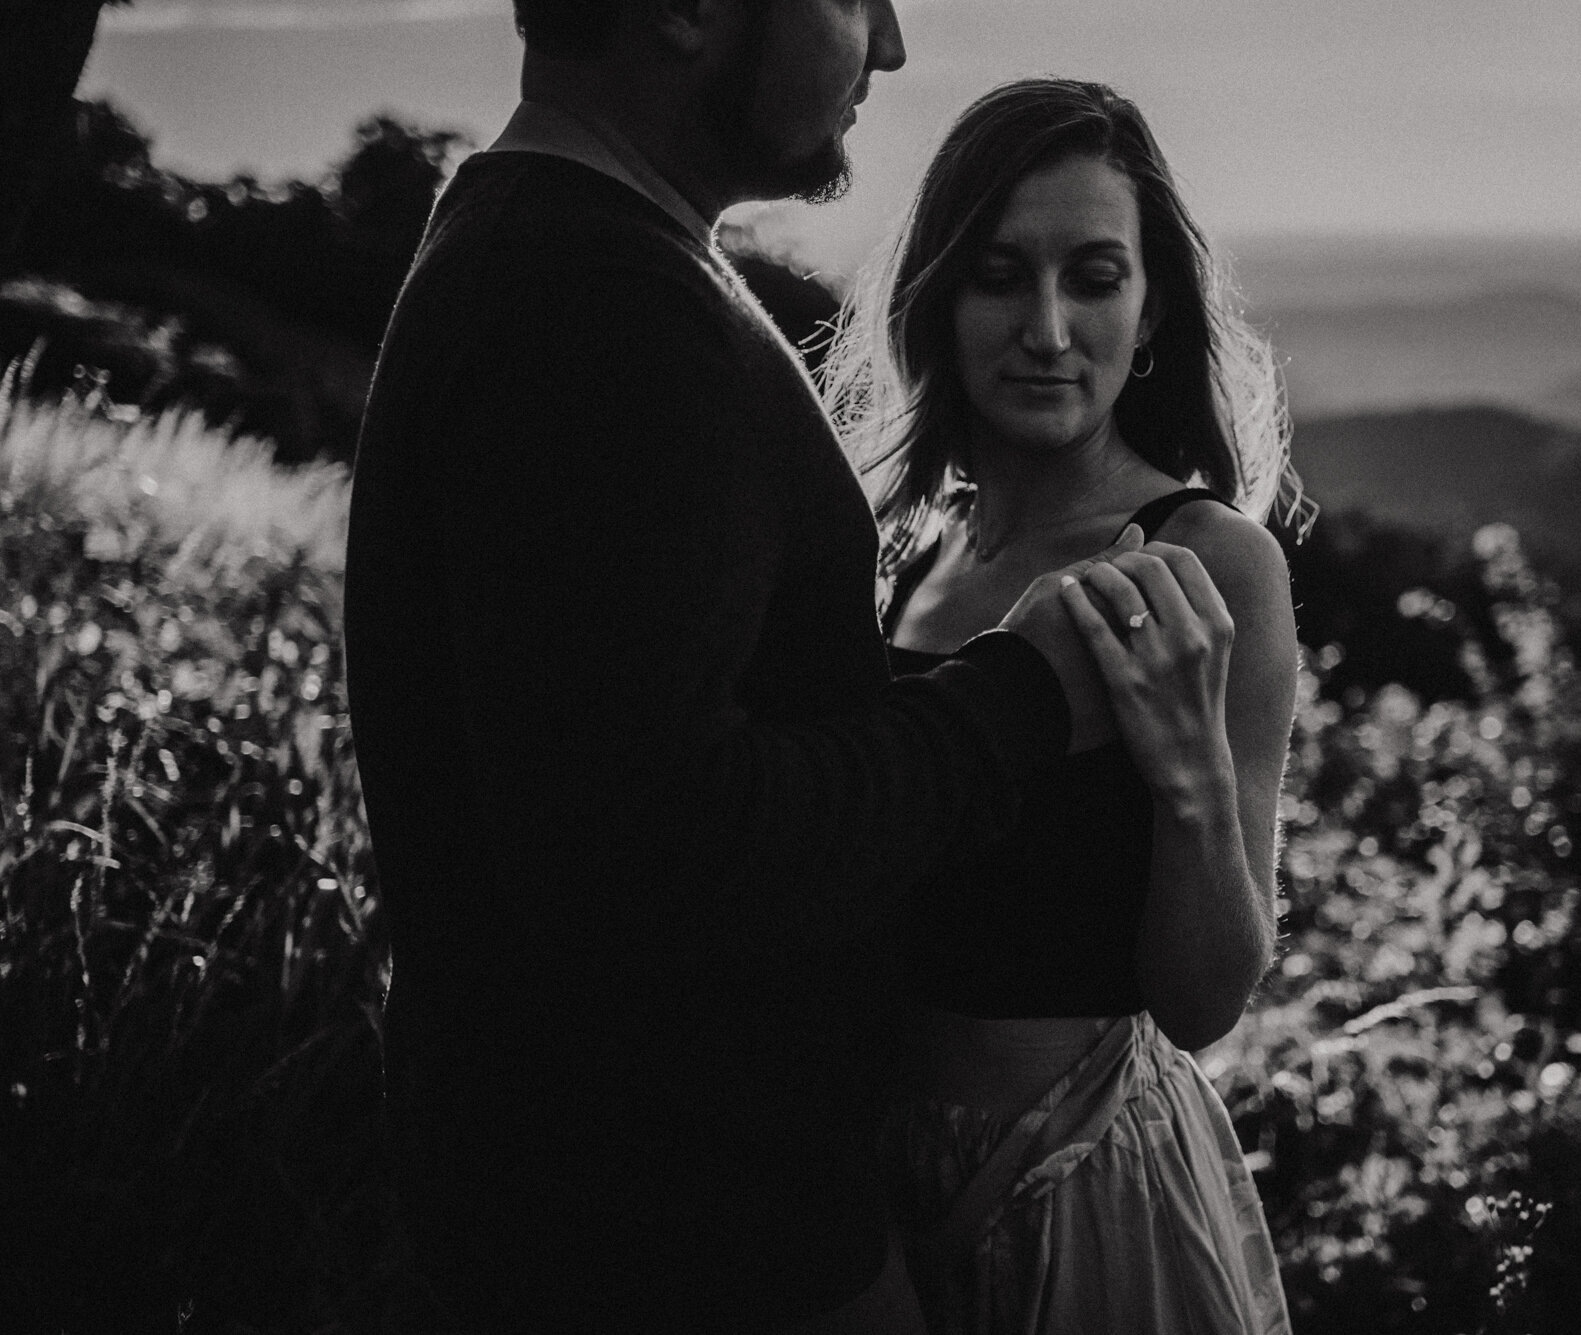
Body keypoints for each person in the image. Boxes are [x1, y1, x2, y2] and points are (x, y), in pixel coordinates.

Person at [341, 7, 1238, 1333]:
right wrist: (1019, 692)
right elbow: (651, 845)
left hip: (679, 1211)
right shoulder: (600, 312)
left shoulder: (568, 258)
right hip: (685, 1237)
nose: (886, 45)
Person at [821, 78, 1308, 1333]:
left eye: (1093, 277)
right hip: (860, 1197)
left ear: (1150, 312)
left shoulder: (1203, 561)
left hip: (1087, 1190)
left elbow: (1203, 1005)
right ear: (939, 298)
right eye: (998, 274)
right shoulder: (895, 554)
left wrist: (1189, 768)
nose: (1046, 327)